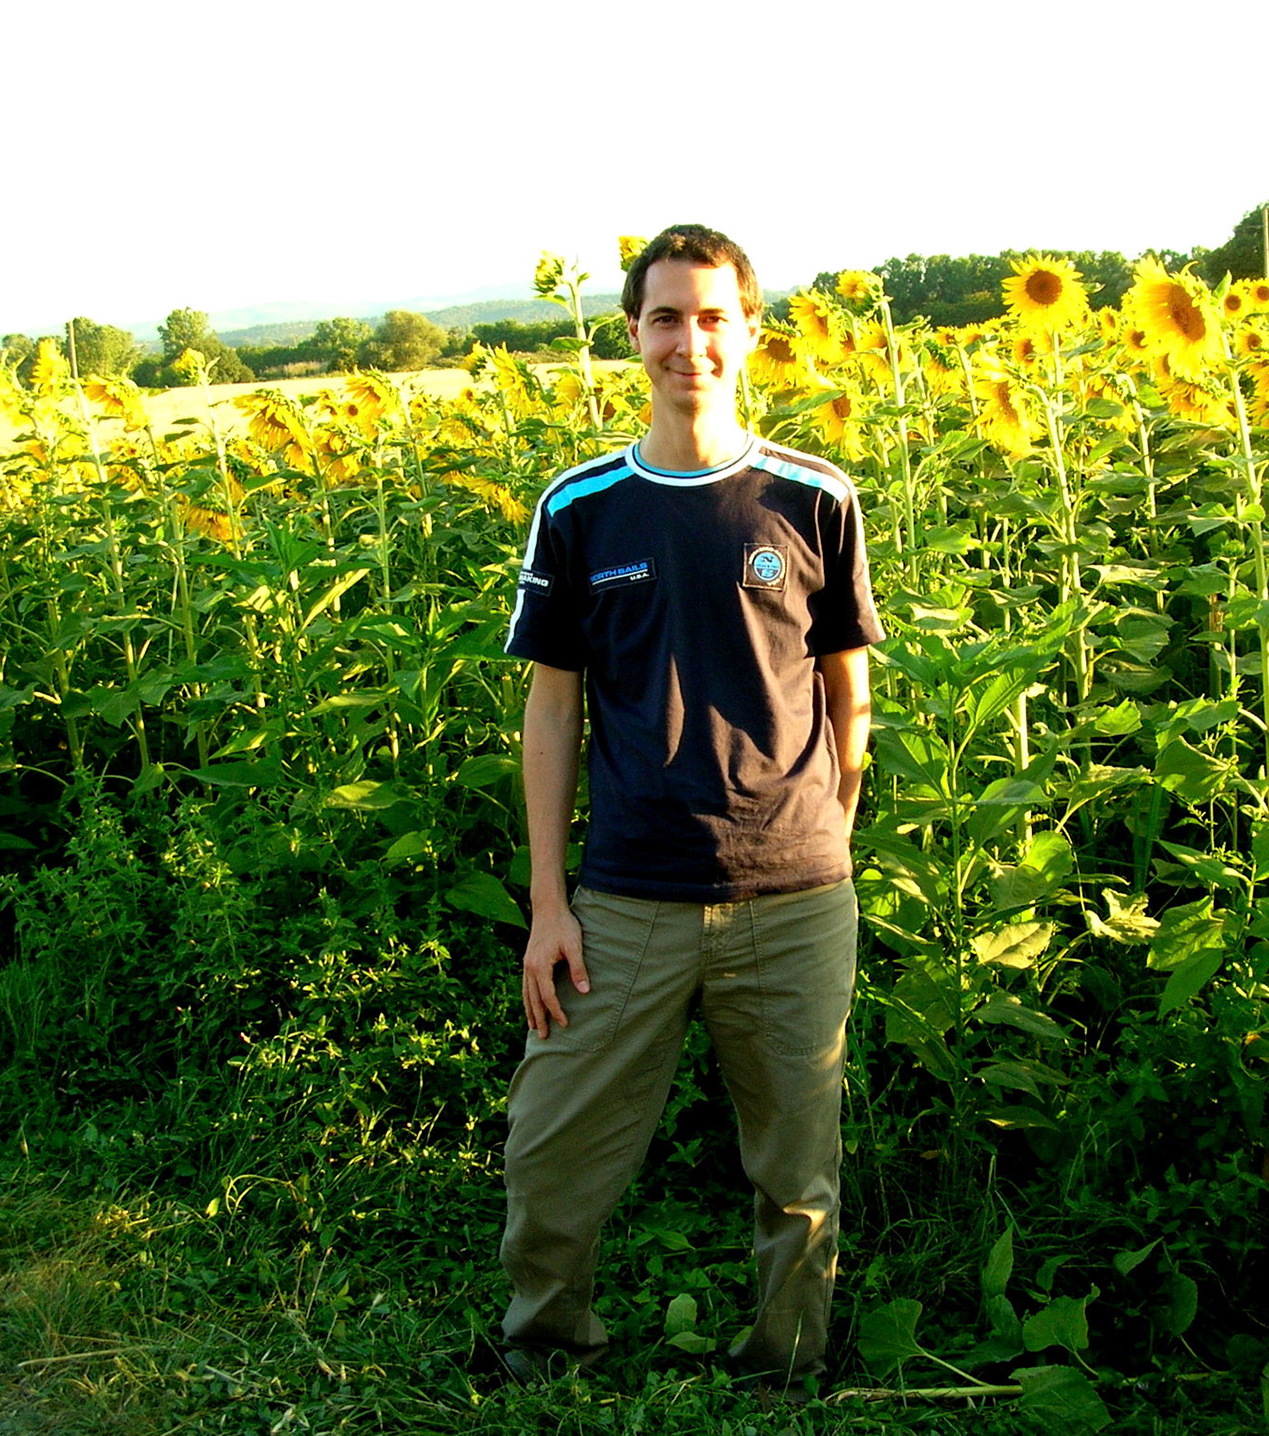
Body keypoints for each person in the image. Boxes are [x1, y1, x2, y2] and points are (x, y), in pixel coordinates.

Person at [495, 223, 883, 1393]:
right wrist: (549, 905)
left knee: (797, 1168)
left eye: (714, 316)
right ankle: (546, 1351)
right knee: (549, 1146)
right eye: (666, 316)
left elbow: (849, 696)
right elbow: (552, 713)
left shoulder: (815, 496)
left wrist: (828, 836)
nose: (689, 342)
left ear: (751, 331)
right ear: (633, 332)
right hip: (625, 898)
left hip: (796, 895)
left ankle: (786, 1366)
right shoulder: (581, 506)